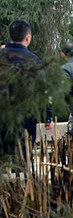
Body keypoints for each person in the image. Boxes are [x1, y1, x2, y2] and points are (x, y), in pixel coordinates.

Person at [0, 19, 52, 152]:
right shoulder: (34, 61)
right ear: (28, 37)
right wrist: (48, 117)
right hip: (25, 119)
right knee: (22, 156)